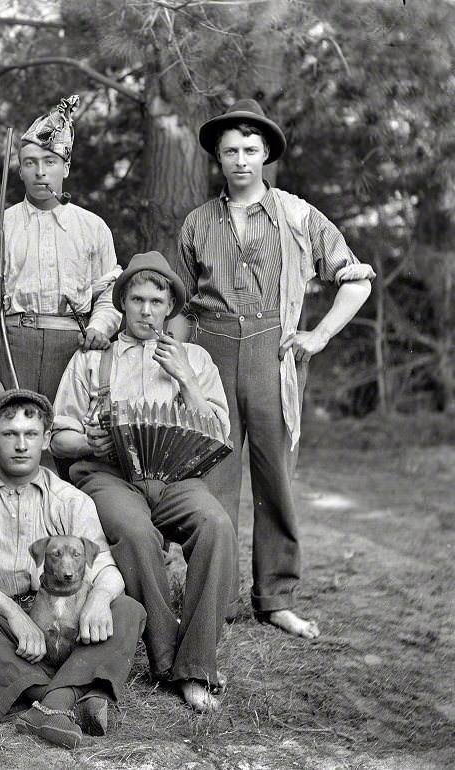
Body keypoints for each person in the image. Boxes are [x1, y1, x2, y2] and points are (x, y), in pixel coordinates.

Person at [173, 99, 375, 638]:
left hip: (274, 349)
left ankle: (276, 597)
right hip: (211, 350)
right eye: (230, 151)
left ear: (266, 155)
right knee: (210, 478)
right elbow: (185, 302)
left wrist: (319, 334)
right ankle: (209, 597)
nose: (240, 160)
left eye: (250, 150)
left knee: (274, 479)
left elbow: (355, 280)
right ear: (217, 158)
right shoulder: (197, 223)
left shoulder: (297, 215)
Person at [50, 252, 237, 712]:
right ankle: (169, 657)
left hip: (175, 476)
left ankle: (198, 665)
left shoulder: (195, 358)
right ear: (123, 303)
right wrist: (88, 443)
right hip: (110, 475)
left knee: (216, 525)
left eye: (157, 300)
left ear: (170, 306)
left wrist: (187, 379)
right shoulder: (94, 360)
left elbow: (220, 431)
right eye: (137, 299)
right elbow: (58, 435)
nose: (147, 310)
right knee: (133, 533)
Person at [0, 389, 145, 749]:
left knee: (127, 609)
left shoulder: (71, 500)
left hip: (70, 625)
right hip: (6, 629)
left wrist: (100, 599)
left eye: (31, 435)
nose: (21, 445)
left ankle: (46, 704)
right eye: (9, 434)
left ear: (46, 440)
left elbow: (106, 568)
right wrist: (13, 613)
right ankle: (76, 692)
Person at [0, 94, 122, 403]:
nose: (40, 172)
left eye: (50, 162)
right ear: (19, 170)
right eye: (30, 163)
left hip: (74, 346)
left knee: (65, 438)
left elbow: (110, 293)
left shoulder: (93, 228)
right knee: (11, 437)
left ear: (66, 167)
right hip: (11, 344)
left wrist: (99, 327)